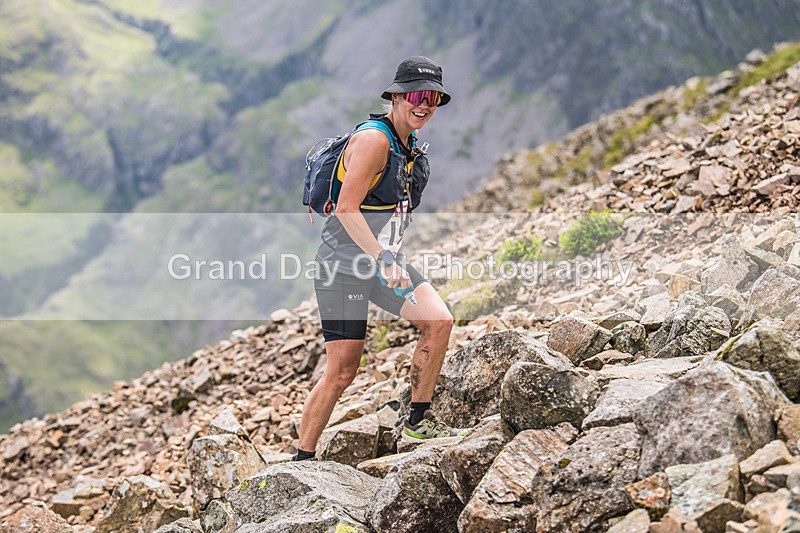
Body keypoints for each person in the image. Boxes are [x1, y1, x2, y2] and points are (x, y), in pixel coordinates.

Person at [293, 56, 465, 461]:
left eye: (434, 98)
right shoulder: (375, 140)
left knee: (438, 322)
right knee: (342, 371)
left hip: (380, 259)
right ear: (397, 96)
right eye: (417, 96)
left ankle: (419, 423)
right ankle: (301, 459)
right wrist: (384, 259)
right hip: (344, 267)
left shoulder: (408, 145)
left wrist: (387, 258)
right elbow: (346, 208)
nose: (425, 105)